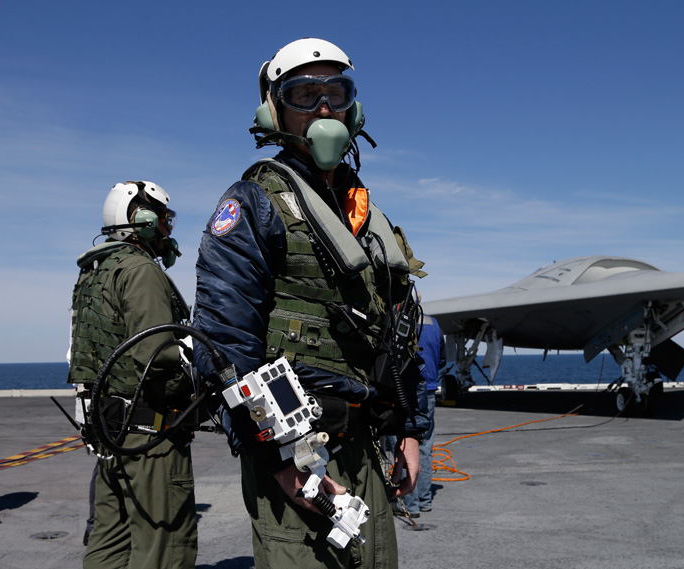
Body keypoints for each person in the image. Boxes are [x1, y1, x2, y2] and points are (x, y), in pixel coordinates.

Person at [193, 38, 429, 569]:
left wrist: (409, 431)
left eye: (336, 93)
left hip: (366, 442)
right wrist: (281, 459)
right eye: (304, 94)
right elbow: (224, 345)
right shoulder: (254, 204)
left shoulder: (365, 216)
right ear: (274, 111)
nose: (324, 108)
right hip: (297, 454)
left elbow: (399, 331)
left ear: (353, 108)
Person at [67, 181, 197, 569]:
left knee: (109, 542)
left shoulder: (95, 270)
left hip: (109, 431)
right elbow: (157, 357)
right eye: (163, 220)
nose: (167, 230)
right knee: (164, 547)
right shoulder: (141, 271)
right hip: (148, 437)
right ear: (142, 220)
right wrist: (195, 388)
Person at [394, 309, 445, 517]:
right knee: (425, 447)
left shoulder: (400, 319)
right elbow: (442, 359)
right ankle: (425, 500)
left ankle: (409, 505)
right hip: (430, 391)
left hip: (406, 391)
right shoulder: (434, 323)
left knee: (405, 444)